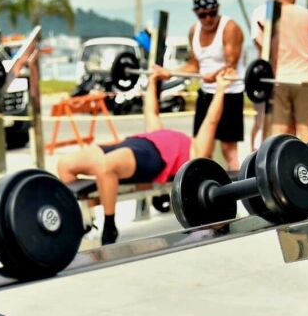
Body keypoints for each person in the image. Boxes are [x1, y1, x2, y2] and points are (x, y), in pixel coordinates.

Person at [57, 69, 235, 245]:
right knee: (65, 164)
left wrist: (220, 89)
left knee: (106, 166)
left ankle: (109, 226)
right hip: (132, 143)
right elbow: (151, 111)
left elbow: (211, 121)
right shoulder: (159, 132)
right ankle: (82, 223)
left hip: (151, 157)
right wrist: (153, 80)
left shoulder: (196, 150)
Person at [158, 0, 246, 170]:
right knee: (201, 148)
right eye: (203, 15)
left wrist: (213, 76)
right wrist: (171, 72)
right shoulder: (193, 31)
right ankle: (205, 191)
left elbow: (231, 65)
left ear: (218, 9)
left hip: (229, 93)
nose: (208, 19)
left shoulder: (230, 28)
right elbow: (194, 64)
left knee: (229, 149)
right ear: (196, 13)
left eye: (212, 13)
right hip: (206, 93)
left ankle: (237, 193)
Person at [251, 0, 308, 142]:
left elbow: (262, 48)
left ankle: (277, 164)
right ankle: (307, 164)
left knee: (279, 129)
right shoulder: (307, 14)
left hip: (279, 79)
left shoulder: (270, 18)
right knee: (304, 128)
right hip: (305, 79)